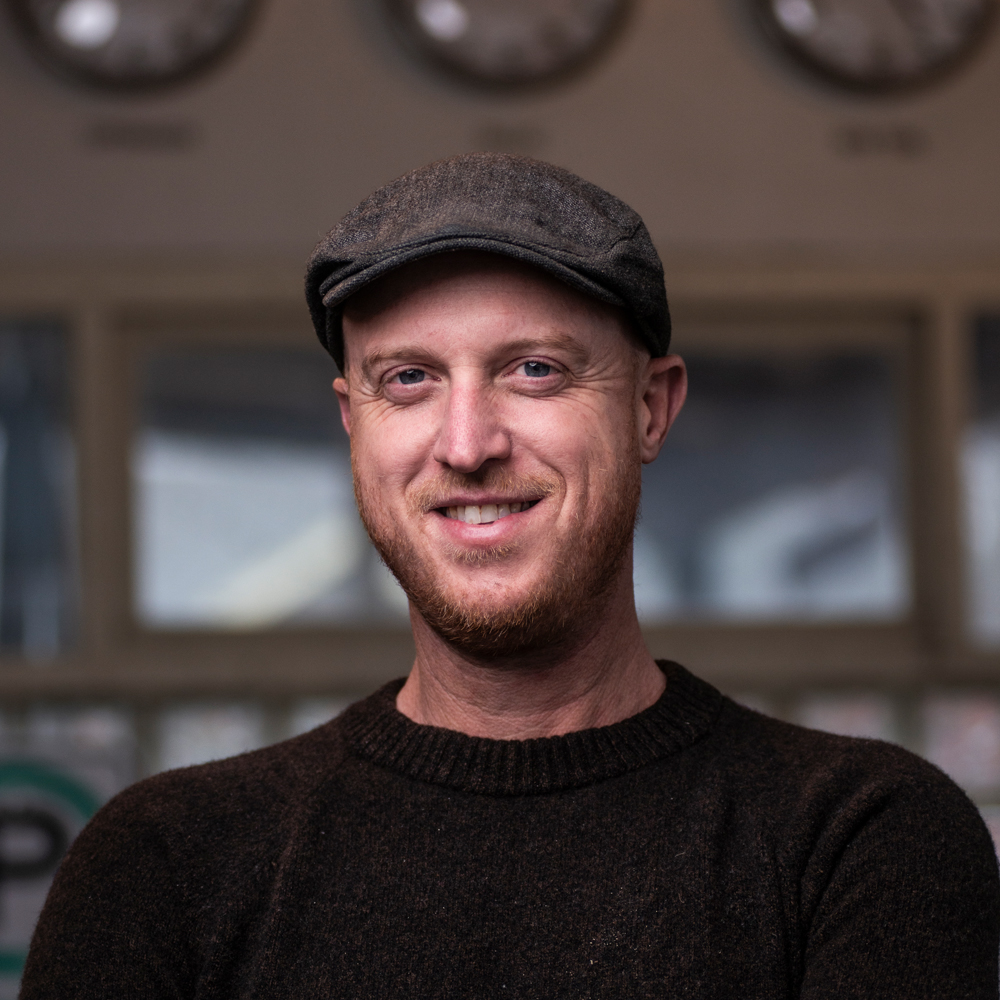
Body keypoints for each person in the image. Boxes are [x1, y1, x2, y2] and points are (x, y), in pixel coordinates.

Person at [21, 153, 1000, 998]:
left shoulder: (857, 839)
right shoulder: (166, 865)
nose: (466, 443)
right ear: (352, 424)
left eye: (534, 370)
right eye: (408, 379)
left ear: (650, 410)